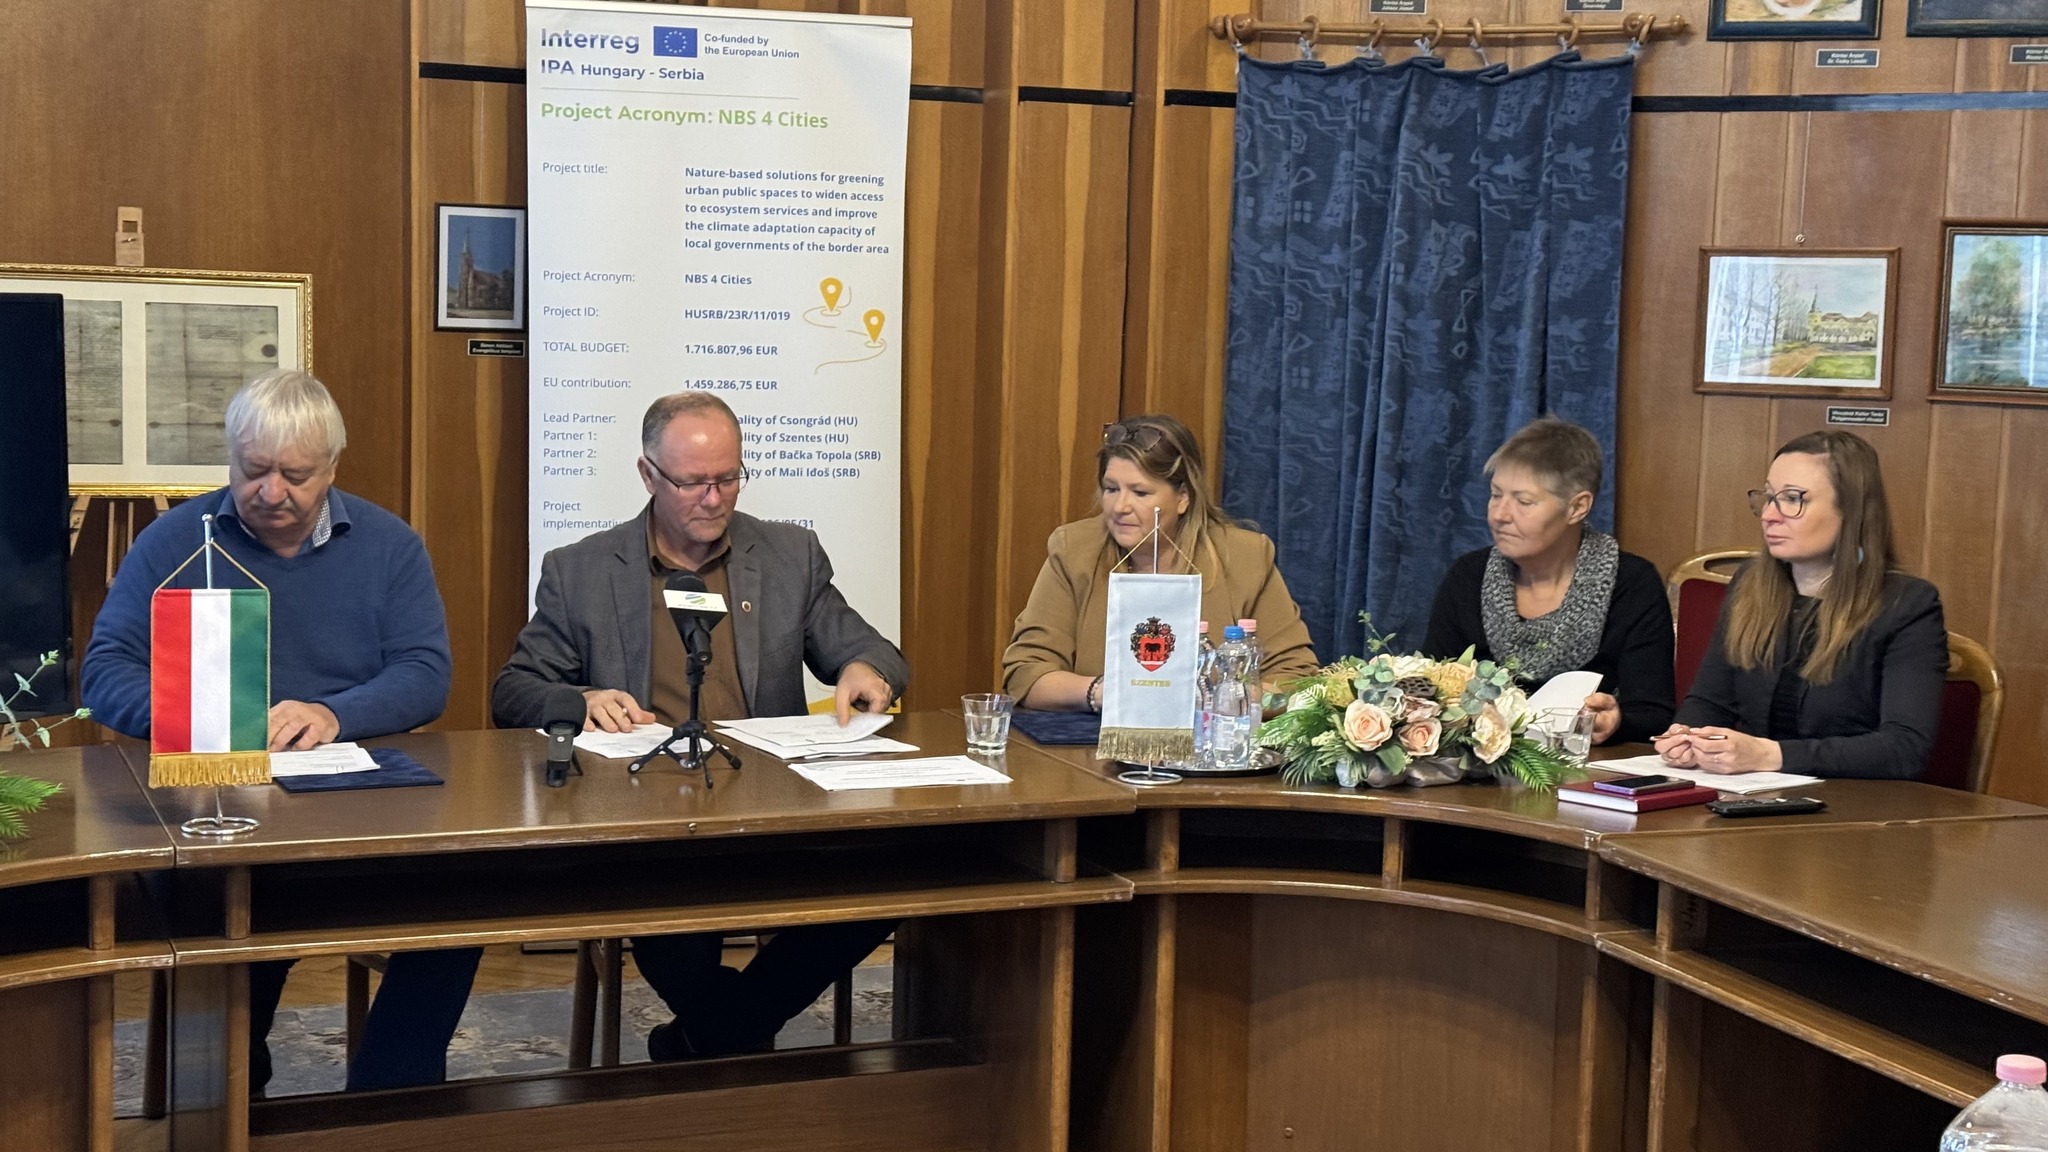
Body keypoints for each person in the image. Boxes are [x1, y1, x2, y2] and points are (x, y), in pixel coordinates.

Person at [80, 369, 473, 1093]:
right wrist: (209, 719)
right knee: (225, 917)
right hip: (221, 813)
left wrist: (335, 713)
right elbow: (105, 672)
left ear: (333, 467)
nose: (270, 492)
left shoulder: (388, 545)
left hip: (358, 815)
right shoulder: (176, 541)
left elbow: (425, 673)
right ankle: (236, 1095)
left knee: (462, 901)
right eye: (252, 469)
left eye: (295, 475)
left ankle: (389, 1096)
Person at [492, 390, 906, 1059]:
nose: (714, 500)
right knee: (667, 913)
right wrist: (580, 699)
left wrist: (865, 670)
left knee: (887, 884)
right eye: (693, 483)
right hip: (645, 824)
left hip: (773, 813)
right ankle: (731, 1036)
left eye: (728, 478)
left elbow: (873, 652)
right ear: (648, 474)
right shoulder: (582, 571)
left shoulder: (789, 555)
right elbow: (513, 691)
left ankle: (702, 1037)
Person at [1654, 430, 1947, 779]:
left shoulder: (1907, 605)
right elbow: (1710, 701)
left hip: (1853, 802)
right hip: (1749, 794)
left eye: (1793, 499)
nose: (1769, 515)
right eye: (1768, 497)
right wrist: (1686, 736)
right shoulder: (1750, 583)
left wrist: (1768, 755)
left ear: (1850, 511)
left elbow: (1904, 749)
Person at [1002, 414, 1318, 710]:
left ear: (1183, 497)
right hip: (1092, 742)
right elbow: (1026, 674)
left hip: (1210, 739)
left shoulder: (1245, 556)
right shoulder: (1074, 550)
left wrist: (1215, 700)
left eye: (1140, 493)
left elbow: (1297, 680)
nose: (1120, 506)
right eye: (1111, 489)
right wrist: (1106, 692)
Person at [1423, 418, 1674, 745]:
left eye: (1524, 502)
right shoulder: (1468, 576)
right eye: (1496, 495)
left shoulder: (1632, 583)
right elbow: (1432, 692)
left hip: (1587, 767)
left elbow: (1654, 713)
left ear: (1577, 507)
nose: (1499, 515)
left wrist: (1616, 721)